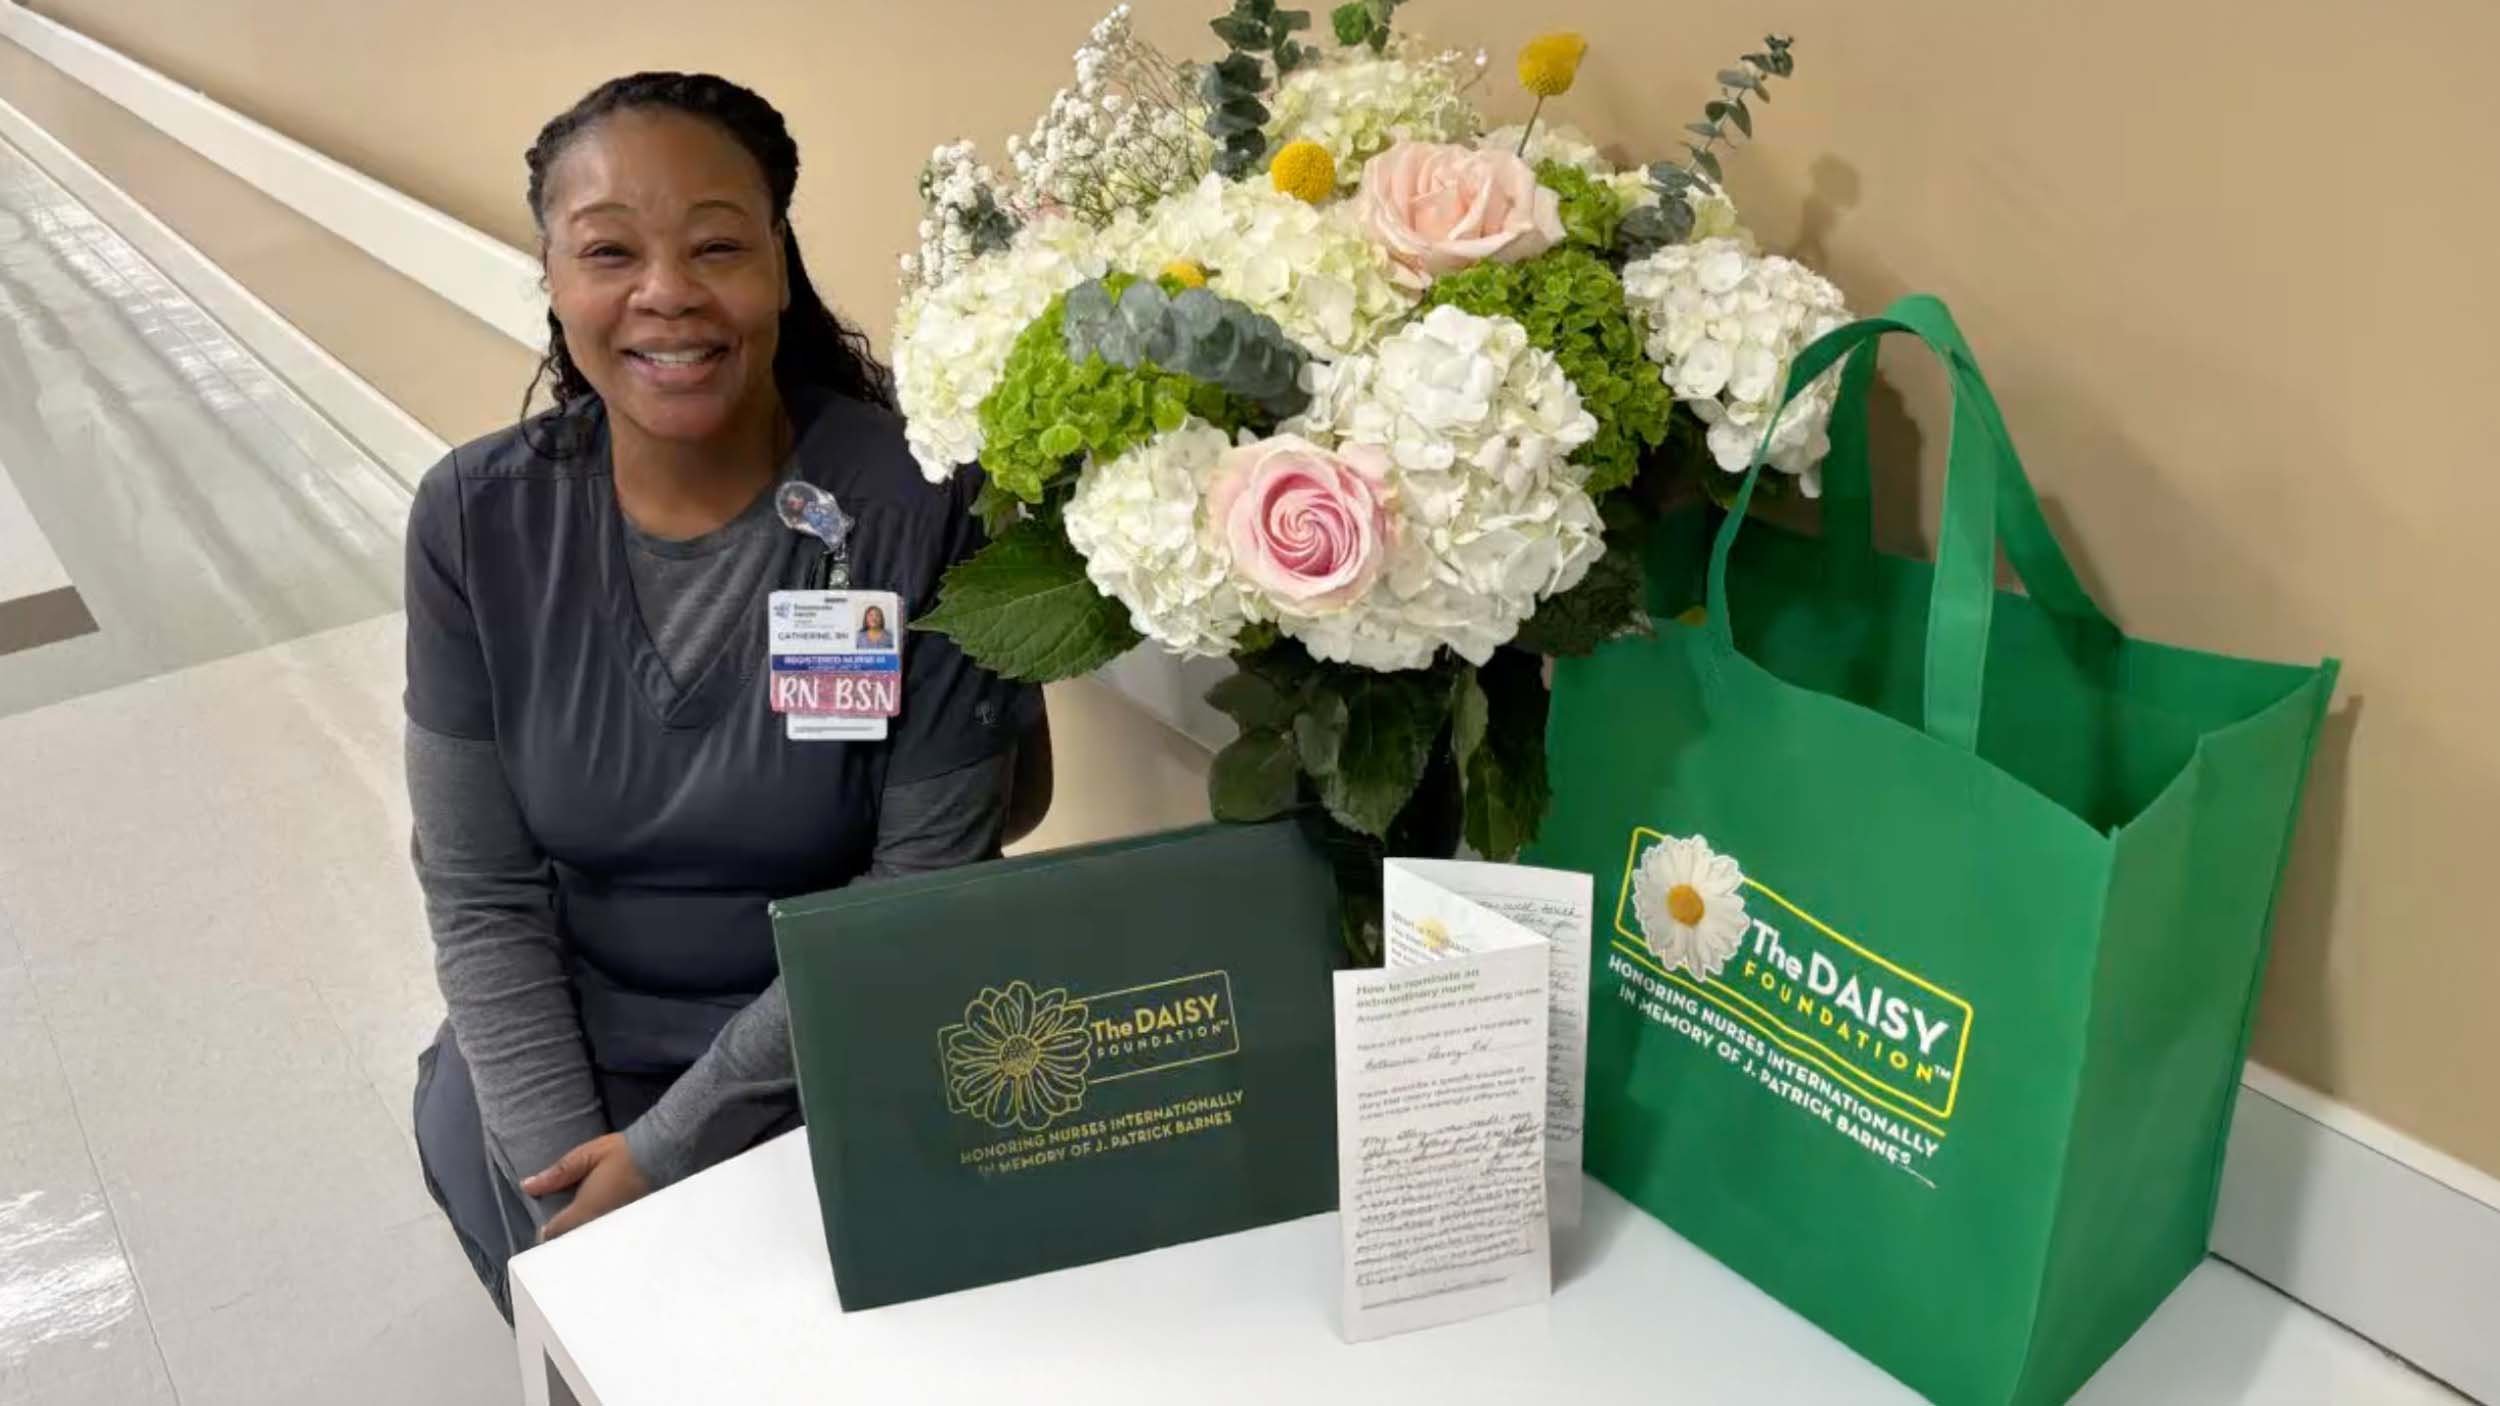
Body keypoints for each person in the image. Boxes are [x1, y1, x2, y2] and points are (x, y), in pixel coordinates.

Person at [404, 72, 1049, 1321]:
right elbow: (478, 893)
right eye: (608, 250)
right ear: (550, 275)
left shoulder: (919, 503)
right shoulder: (476, 520)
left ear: (778, 266)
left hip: (847, 1041)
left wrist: (663, 1155)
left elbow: (920, 887)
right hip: (563, 1044)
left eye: (715, 244)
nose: (666, 292)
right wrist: (566, 1184)